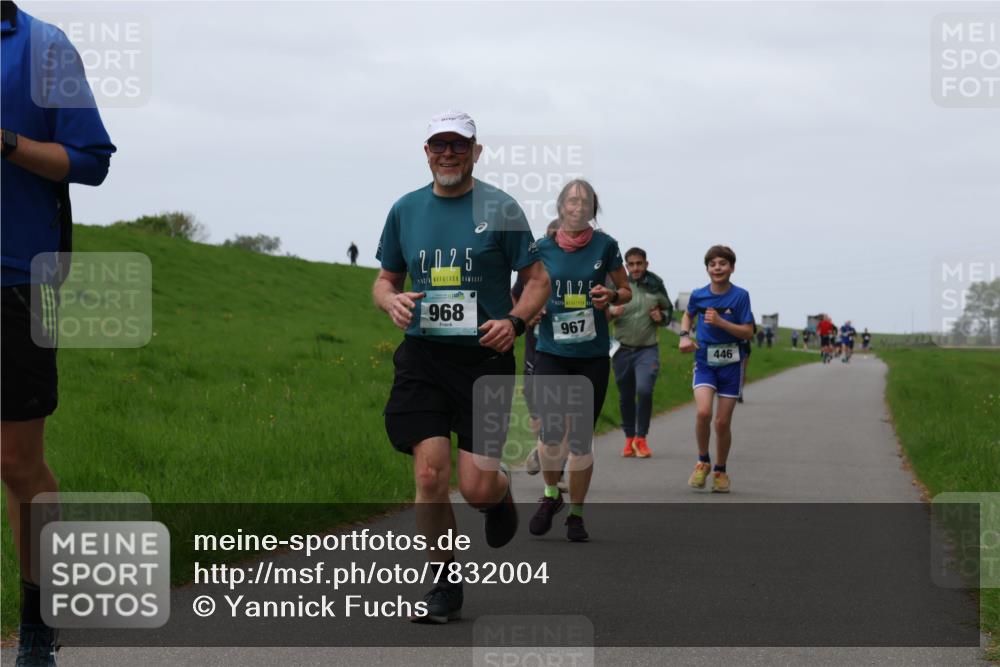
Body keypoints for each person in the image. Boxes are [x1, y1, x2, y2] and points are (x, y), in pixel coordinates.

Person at [373, 111, 549, 623]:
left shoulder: (500, 208)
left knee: (474, 487)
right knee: (429, 473)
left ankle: (498, 499)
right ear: (425, 151)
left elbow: (537, 279)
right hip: (423, 355)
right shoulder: (405, 210)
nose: (447, 153)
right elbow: (385, 279)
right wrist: (390, 302)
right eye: (438, 145)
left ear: (476, 151)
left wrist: (514, 322)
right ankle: (445, 584)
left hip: (484, 359)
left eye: (458, 145)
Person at [2, 2, 117, 664]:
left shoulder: (45, 47)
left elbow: (91, 160)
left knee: (16, 462)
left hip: (16, 279)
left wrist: (8, 141)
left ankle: (39, 619)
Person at [528, 179, 630, 542]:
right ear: (561, 207)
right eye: (572, 200)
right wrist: (532, 312)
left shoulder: (606, 246)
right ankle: (552, 494)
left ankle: (577, 514)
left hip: (591, 355)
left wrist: (611, 293)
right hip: (552, 352)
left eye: (585, 201)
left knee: (581, 440)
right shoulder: (541, 248)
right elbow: (529, 290)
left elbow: (626, 289)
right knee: (551, 431)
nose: (578, 206)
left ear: (592, 209)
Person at [679, 245, 754, 494]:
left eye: (723, 263)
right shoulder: (699, 295)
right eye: (713, 264)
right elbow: (687, 316)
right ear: (707, 269)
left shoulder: (740, 296)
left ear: (731, 268)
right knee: (702, 413)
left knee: (722, 422)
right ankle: (703, 461)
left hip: (731, 363)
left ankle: (721, 470)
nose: (718, 268)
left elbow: (748, 331)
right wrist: (684, 336)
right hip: (705, 361)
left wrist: (721, 322)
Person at [608, 247, 672, 458]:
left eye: (639, 263)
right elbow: (600, 314)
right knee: (626, 395)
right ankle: (629, 439)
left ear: (646, 264)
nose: (635, 268)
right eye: (631, 264)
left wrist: (660, 317)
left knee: (644, 390)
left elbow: (668, 312)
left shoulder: (655, 285)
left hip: (647, 349)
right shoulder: (618, 287)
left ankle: (641, 438)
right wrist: (610, 313)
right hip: (621, 350)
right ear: (626, 266)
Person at [514, 220, 559, 477]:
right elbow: (515, 297)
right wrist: (526, 317)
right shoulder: (532, 271)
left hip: (562, 350)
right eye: (550, 237)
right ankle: (539, 446)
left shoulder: (574, 269)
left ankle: (557, 468)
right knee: (536, 407)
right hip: (535, 347)